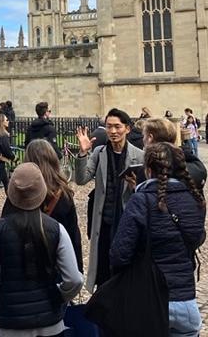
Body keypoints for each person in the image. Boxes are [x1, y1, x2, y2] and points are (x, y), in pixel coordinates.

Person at [110, 142, 206, 337]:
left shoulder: (141, 200)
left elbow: (119, 254)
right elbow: (197, 237)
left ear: (148, 169)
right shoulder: (194, 198)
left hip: (150, 302)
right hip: (186, 303)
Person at [0, 163, 83, 335]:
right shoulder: (56, 229)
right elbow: (74, 279)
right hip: (49, 323)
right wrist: (59, 296)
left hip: (9, 324)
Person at [74, 107, 144, 292]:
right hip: (104, 222)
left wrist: (136, 186)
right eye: (109, 127)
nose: (113, 131)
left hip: (126, 222)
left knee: (124, 269)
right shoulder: (99, 153)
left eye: (117, 127)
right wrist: (82, 153)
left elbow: (146, 195)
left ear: (127, 129)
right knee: (103, 270)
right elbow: (81, 179)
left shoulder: (140, 156)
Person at [25, 138, 84, 273]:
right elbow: (73, 234)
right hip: (56, 261)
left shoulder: (22, 191)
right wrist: (77, 270)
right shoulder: (63, 193)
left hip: (26, 261)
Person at [143, 117, 207, 192]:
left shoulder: (152, 166)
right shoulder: (194, 165)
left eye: (144, 135)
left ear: (150, 138)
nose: (143, 139)